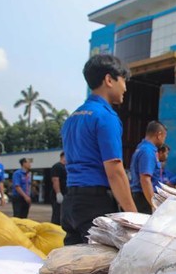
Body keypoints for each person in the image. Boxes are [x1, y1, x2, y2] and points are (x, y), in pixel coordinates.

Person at [61, 54, 136, 245]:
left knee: (73, 265)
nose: (125, 88)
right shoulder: (105, 117)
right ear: (109, 80)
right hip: (94, 205)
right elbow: (115, 172)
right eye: (123, 80)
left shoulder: (72, 118)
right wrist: (134, 216)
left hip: (70, 203)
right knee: (101, 267)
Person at [129, 121, 167, 214]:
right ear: (159, 135)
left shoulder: (141, 148)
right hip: (144, 198)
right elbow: (145, 179)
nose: (164, 141)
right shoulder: (148, 151)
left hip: (141, 196)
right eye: (164, 137)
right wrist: (153, 204)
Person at [50, 152, 67, 225]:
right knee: (57, 215)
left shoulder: (66, 167)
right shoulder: (57, 166)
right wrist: (58, 193)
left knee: (63, 215)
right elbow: (55, 180)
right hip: (59, 195)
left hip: (66, 194)